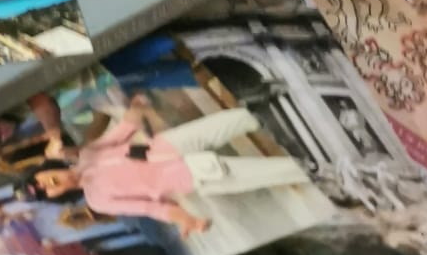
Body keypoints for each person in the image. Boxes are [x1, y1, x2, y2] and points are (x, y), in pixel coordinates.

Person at [29, 102, 309, 238]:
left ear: (46, 169)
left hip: (174, 143)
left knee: (242, 117)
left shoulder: (88, 154)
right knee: (286, 171)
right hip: (195, 175)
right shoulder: (98, 200)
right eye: (44, 193)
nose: (46, 186)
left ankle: (299, 107)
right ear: (57, 197)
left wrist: (136, 106)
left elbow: (125, 128)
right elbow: (152, 208)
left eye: (40, 181)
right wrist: (186, 219)